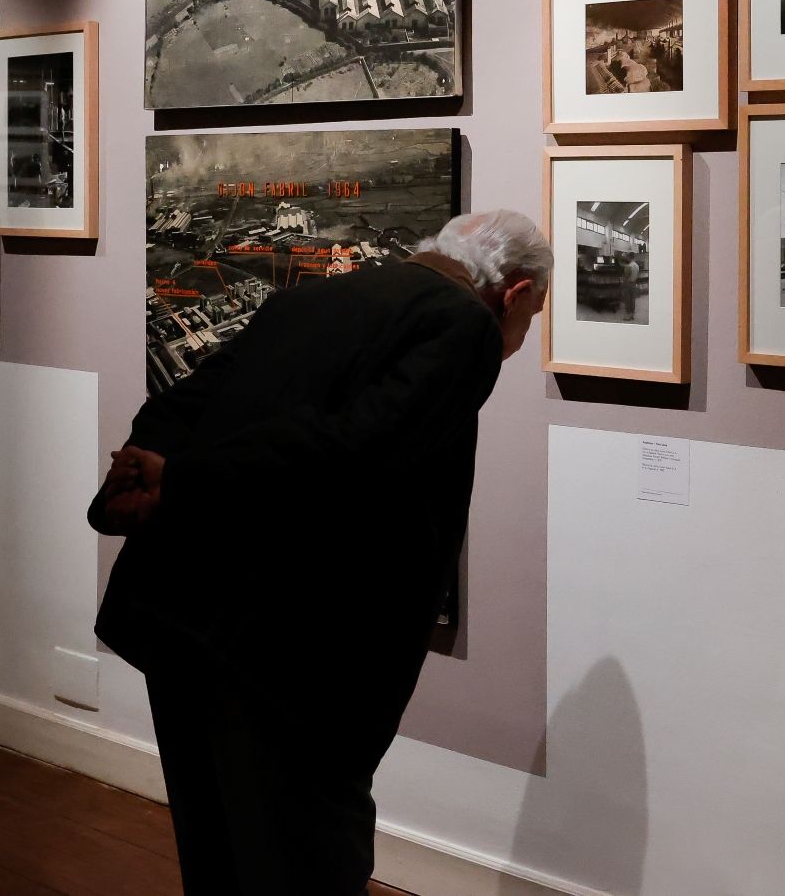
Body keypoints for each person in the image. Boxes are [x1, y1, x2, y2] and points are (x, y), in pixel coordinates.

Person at [89, 209, 552, 895]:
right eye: (531, 316)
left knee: (215, 851)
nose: (520, 336)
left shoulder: (313, 297)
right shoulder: (465, 324)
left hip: (183, 616)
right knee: (309, 864)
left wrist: (150, 474)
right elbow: (353, 450)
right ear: (513, 292)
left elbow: (181, 401)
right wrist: (183, 482)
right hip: (293, 647)